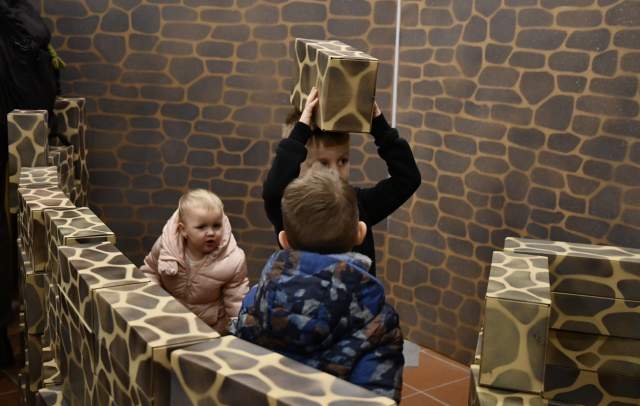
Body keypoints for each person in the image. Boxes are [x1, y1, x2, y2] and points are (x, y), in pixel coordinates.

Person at [235, 167, 404, 402]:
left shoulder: (255, 300)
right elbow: (375, 398)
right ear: (361, 232)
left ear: (283, 240)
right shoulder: (378, 321)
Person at [262, 87, 421, 276]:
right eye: (323, 163)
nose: (335, 172)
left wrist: (379, 126)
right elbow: (273, 192)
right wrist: (300, 131)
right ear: (297, 165)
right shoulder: (292, 208)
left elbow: (407, 178)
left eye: (342, 161)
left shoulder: (358, 204)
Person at [141, 189, 249, 333]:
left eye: (216, 226)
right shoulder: (166, 247)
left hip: (209, 326)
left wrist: (239, 330)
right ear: (183, 230)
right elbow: (150, 271)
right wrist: (154, 303)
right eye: (201, 227)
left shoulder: (233, 259)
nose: (211, 232)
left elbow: (237, 299)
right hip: (168, 319)